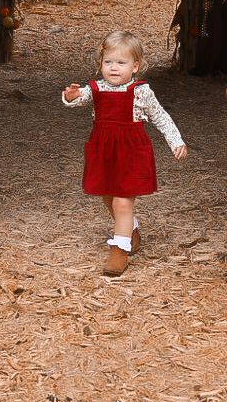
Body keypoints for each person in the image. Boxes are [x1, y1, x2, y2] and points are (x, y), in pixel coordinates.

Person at [62, 28, 187, 277]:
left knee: (121, 200)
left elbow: (160, 116)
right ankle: (131, 230)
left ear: (135, 66)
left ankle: (120, 248)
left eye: (121, 62)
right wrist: (71, 96)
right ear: (100, 65)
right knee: (107, 195)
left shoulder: (140, 92)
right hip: (103, 151)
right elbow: (76, 100)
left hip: (129, 153)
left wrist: (176, 141)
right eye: (108, 62)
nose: (114, 68)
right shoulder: (96, 88)